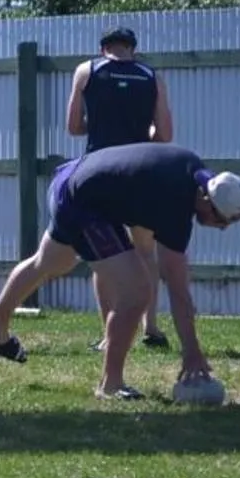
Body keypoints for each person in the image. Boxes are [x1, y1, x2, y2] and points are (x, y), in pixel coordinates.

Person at [0, 142, 240, 400]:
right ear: (205, 200)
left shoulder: (194, 170)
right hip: (84, 203)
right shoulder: (176, 203)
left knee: (53, 262)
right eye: (221, 219)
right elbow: (178, 288)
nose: (222, 227)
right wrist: (192, 352)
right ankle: (110, 385)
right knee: (136, 292)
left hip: (70, 179)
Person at [67, 26, 175, 349]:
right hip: (140, 170)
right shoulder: (151, 76)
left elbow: (73, 127)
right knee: (146, 251)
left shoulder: (87, 71)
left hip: (100, 171)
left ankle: (108, 335)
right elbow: (165, 135)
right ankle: (151, 327)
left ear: (104, 49)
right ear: (133, 49)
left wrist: (99, 126)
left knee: (104, 255)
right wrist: (143, 132)